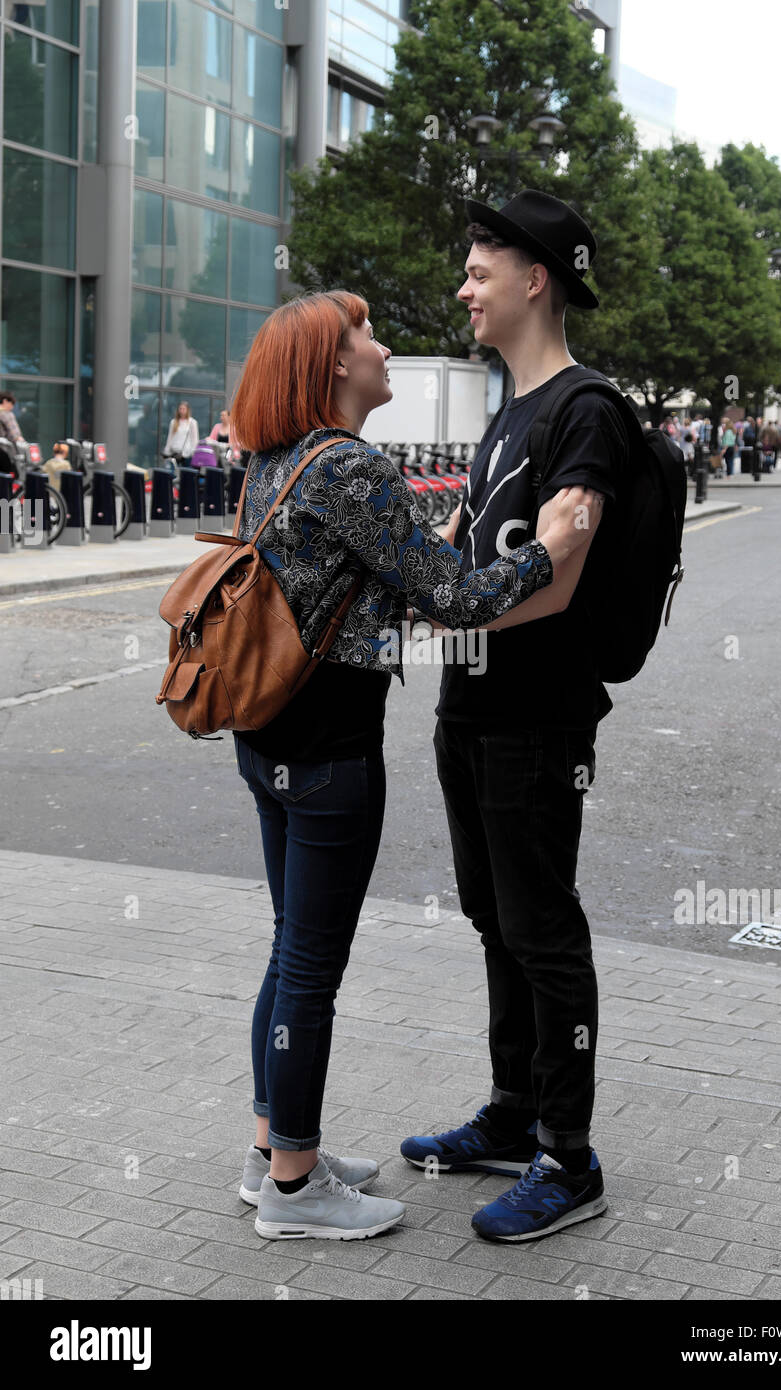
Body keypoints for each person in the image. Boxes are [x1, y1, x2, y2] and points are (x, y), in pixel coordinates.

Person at [225, 288, 596, 1241]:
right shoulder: (349, 466)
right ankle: (297, 1192)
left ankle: (277, 1147)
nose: (384, 345)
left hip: (265, 740)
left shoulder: (274, 462)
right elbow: (453, 598)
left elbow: (376, 576)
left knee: (286, 947)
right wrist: (548, 552)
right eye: (365, 335)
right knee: (310, 966)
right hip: (328, 755)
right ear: (333, 367)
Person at [398, 188, 629, 1243]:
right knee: (494, 918)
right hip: (469, 711)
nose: (463, 287)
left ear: (533, 278)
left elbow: (561, 558)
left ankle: (565, 1156)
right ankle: (511, 1108)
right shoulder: (504, 414)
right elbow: (461, 550)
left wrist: (448, 599)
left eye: (477, 270)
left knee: (542, 930)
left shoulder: (584, 410)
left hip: (536, 723)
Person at [162, 401, 199, 466]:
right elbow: (170, 437)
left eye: (184, 409)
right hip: (174, 453)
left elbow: (195, 439)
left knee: (185, 474)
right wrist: (166, 451)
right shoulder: (173, 422)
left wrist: (194, 453)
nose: (182, 411)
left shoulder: (192, 422)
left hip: (187, 454)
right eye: (180, 409)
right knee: (172, 474)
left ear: (187, 410)